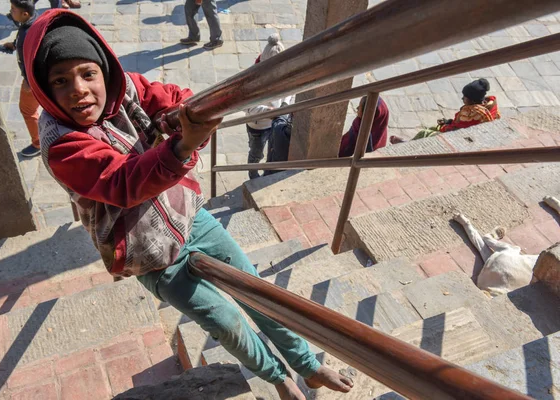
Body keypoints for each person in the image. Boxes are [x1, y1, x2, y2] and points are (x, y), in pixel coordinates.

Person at [24, 10, 353, 399]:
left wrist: (180, 116)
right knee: (225, 321)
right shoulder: (61, 143)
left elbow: (175, 98)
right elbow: (123, 183)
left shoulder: (124, 87)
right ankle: (276, 375)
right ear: (44, 90)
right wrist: (181, 144)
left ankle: (308, 365)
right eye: (60, 81)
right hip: (148, 254)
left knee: (258, 291)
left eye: (87, 74)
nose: (78, 89)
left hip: (189, 217)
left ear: (104, 71)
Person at [390, 78, 500, 144]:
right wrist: (448, 122)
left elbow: (458, 129)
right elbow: (462, 123)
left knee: (425, 133)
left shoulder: (474, 113)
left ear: (472, 99)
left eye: (464, 97)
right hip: (459, 129)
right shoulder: (487, 105)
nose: (463, 99)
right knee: (433, 128)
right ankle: (412, 141)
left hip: (461, 139)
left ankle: (408, 144)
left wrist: (445, 126)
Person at [245, 34, 292, 179]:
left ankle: (267, 173)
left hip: (276, 122)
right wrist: (269, 111)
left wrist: (285, 104)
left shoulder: (284, 74)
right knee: (256, 152)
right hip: (258, 126)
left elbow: (290, 91)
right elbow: (247, 107)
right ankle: (253, 174)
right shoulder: (251, 79)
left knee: (274, 149)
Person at [1, 0, 42, 157]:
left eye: (13, 10)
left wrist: (28, 80)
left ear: (25, 14)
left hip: (33, 80)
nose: (11, 12)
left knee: (27, 110)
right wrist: (14, 44)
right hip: (37, 78)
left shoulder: (26, 33)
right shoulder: (33, 21)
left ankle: (38, 143)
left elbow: (32, 60)